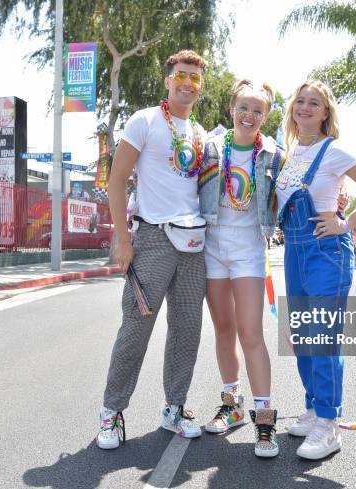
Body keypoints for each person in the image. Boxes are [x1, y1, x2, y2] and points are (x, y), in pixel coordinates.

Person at [96, 50, 208, 449]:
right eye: (181, 75)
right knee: (136, 329)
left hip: (194, 244)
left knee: (187, 331)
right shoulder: (144, 120)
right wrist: (124, 239)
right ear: (168, 79)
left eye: (195, 78)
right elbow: (117, 180)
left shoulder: (199, 132)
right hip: (153, 239)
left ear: (201, 85)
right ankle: (112, 412)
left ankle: (174, 408)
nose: (187, 83)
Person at [275, 80, 356, 460]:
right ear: (293, 108)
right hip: (294, 249)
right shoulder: (291, 153)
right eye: (301, 102)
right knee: (301, 334)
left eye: (314, 104)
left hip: (327, 251)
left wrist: (345, 223)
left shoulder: (335, 150)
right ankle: (312, 409)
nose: (305, 108)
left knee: (323, 335)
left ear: (326, 113)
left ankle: (328, 425)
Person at [198, 79, 283, 457]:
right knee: (224, 330)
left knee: (251, 332)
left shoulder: (274, 156)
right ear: (231, 109)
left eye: (258, 110)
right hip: (212, 247)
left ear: (266, 115)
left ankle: (264, 423)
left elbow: (296, 191)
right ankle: (232, 405)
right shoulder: (210, 150)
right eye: (243, 107)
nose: (249, 115)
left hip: (249, 250)